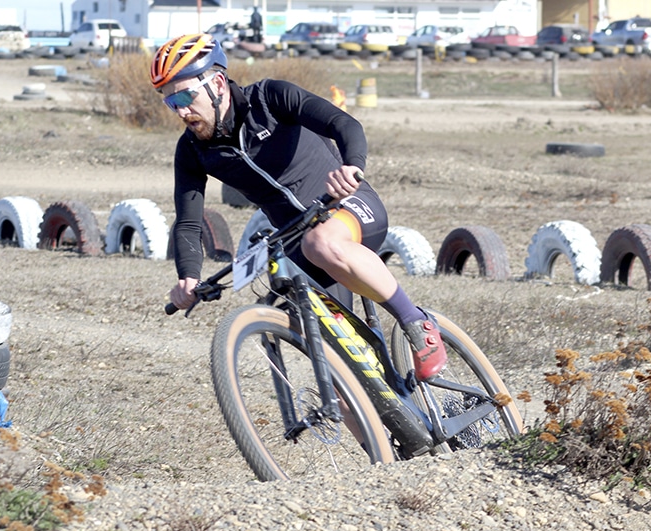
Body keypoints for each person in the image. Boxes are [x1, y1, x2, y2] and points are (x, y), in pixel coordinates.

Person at [151, 33, 446, 381]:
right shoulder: (192, 151)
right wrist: (188, 278)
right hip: (299, 245)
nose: (182, 111)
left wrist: (351, 167)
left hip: (346, 206)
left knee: (321, 241)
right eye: (171, 103)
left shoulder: (270, 98)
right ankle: (386, 430)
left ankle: (415, 323)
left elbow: (344, 125)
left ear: (217, 83)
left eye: (185, 96)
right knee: (340, 378)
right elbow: (188, 222)